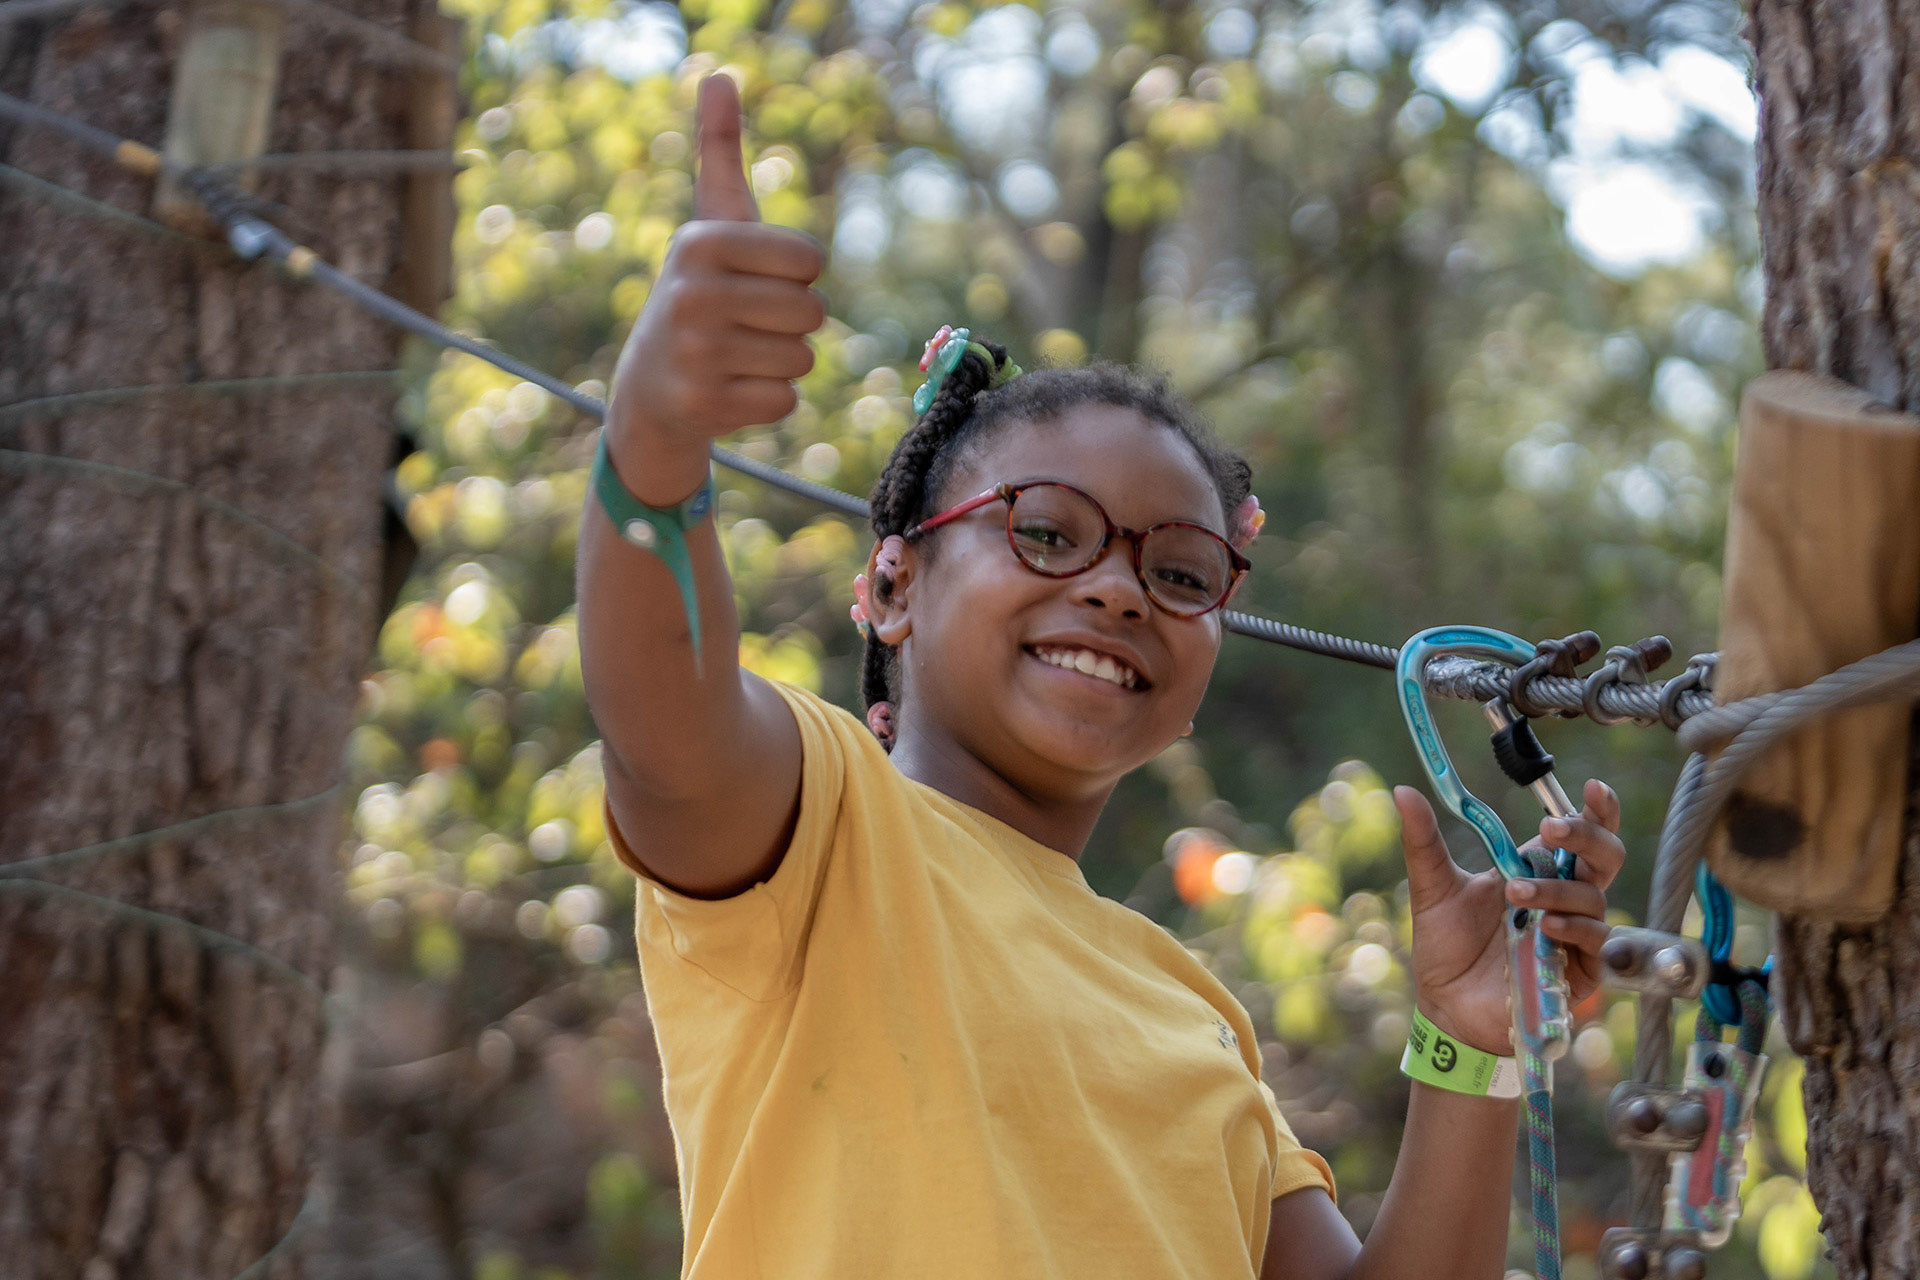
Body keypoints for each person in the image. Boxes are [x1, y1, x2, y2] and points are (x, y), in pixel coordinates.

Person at [578, 73, 1626, 1280]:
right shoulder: (818, 828)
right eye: (1046, 531)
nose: (1121, 590)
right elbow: (663, 707)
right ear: (894, 586)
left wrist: (1471, 1046)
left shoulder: (1191, 1009)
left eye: (1181, 571)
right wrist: (655, 437)